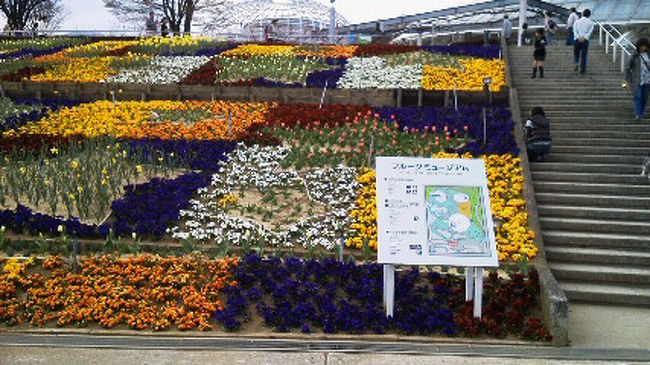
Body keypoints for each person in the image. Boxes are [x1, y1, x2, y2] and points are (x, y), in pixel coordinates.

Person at [626, 38, 650, 119]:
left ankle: (640, 112)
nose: (643, 48)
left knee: (645, 98)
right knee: (638, 96)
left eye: (645, 46)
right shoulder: (634, 55)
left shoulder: (649, 54)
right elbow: (628, 67)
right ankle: (638, 114)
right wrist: (627, 79)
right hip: (637, 79)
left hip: (647, 79)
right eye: (642, 46)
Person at [573, 9, 594, 74]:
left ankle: (576, 62)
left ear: (582, 14)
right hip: (585, 40)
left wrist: (578, 36)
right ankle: (583, 70)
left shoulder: (577, 21)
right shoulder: (591, 23)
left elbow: (574, 30)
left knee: (576, 53)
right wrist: (584, 37)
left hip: (577, 39)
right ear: (589, 15)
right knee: (584, 55)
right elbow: (589, 32)